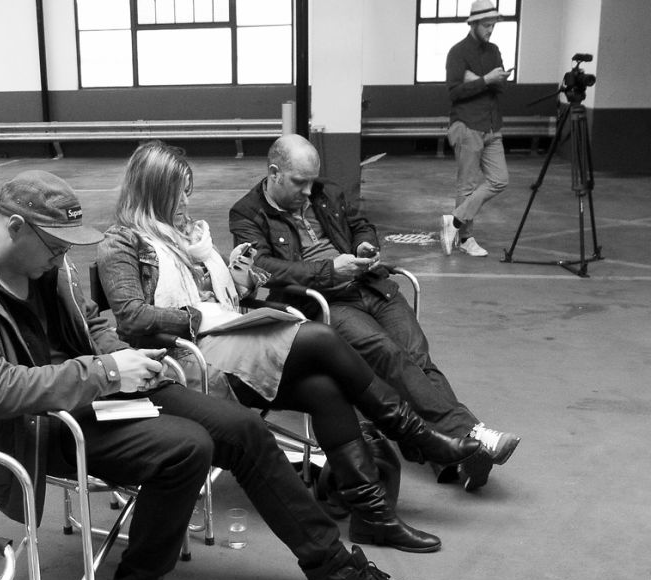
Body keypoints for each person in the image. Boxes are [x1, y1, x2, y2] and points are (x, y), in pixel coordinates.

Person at [0, 169, 417, 580]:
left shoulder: (49, 265)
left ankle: (331, 566)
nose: (62, 255)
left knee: (244, 428)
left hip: (96, 392)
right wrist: (108, 372)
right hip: (39, 427)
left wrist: (128, 360)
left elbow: (92, 325)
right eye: (55, 245)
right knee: (185, 448)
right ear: (15, 227)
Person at [97, 140, 498, 556]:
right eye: (179, 193)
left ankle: (373, 517)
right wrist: (200, 316)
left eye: (188, 191)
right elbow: (133, 318)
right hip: (187, 363)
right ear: (154, 192)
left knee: (324, 389)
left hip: (226, 340)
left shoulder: (189, 237)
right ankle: (417, 436)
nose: (186, 201)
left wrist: (240, 281)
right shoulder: (121, 243)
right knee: (322, 337)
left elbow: (222, 296)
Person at [229, 133, 520, 491]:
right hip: (324, 302)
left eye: (311, 181)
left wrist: (365, 245)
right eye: (299, 182)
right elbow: (264, 268)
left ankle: (452, 456)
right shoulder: (247, 213)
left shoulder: (327, 192)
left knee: (417, 357)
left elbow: (361, 225)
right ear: (274, 173)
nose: (308, 191)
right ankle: (472, 434)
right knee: (388, 355)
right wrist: (329, 271)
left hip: (371, 286)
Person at [440, 0, 512, 258]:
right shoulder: (457, 53)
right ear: (473, 24)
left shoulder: (494, 50)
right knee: (467, 186)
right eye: (486, 25)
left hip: (492, 125)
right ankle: (465, 239)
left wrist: (479, 79)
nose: (490, 30)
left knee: (500, 180)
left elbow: (501, 86)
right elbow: (454, 91)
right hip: (467, 124)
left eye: (493, 25)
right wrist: (486, 80)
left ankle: (455, 220)